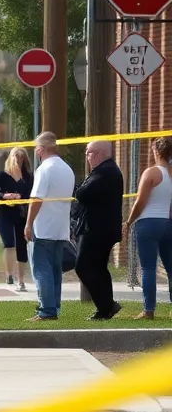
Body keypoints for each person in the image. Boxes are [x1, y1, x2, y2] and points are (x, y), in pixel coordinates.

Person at [24, 131, 76, 322]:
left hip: (44, 226)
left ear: (41, 149)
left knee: (41, 269)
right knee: (55, 270)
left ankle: (47, 309)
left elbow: (37, 198)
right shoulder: (66, 169)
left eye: (37, 147)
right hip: (60, 226)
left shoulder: (44, 169)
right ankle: (54, 305)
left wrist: (29, 223)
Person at [74, 140, 124, 320]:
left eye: (89, 152)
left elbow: (82, 194)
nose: (87, 156)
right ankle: (106, 308)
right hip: (100, 229)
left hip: (97, 230)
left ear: (100, 154)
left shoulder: (106, 171)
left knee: (83, 266)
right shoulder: (104, 171)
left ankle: (106, 306)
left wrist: (78, 189)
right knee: (98, 268)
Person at [123, 136, 172, 320]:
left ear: (157, 152)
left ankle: (148, 310)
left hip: (149, 222)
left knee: (148, 267)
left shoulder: (151, 173)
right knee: (171, 268)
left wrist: (128, 222)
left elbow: (140, 202)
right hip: (167, 223)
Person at [0, 147, 33, 291]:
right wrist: (4, 196)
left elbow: (31, 196)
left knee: (21, 244)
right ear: (10, 158)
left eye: (20, 157)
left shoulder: (28, 178)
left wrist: (19, 198)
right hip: (3, 212)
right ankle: (9, 275)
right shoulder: (2, 176)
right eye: (15, 156)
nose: (17, 159)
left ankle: (21, 280)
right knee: (9, 243)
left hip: (20, 213)